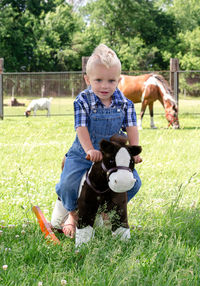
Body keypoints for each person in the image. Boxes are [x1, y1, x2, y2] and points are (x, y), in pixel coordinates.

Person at [51, 44, 142, 238]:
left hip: (111, 157)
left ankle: (105, 210)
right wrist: (90, 150)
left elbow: (132, 127)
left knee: (134, 183)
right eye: (98, 80)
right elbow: (81, 128)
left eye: (111, 81)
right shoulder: (83, 100)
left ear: (118, 80)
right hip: (83, 152)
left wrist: (135, 151)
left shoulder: (125, 103)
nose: (104, 86)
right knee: (69, 183)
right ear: (87, 79)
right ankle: (74, 214)